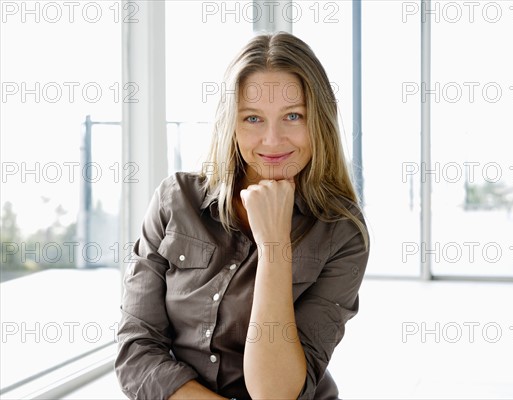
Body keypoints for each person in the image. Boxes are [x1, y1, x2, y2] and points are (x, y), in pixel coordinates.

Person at [115, 31, 370, 400]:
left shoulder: (342, 235)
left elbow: (276, 393)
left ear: (319, 122)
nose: (272, 140)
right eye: (253, 118)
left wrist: (274, 246)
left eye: (293, 115)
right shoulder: (176, 200)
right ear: (230, 123)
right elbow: (135, 352)